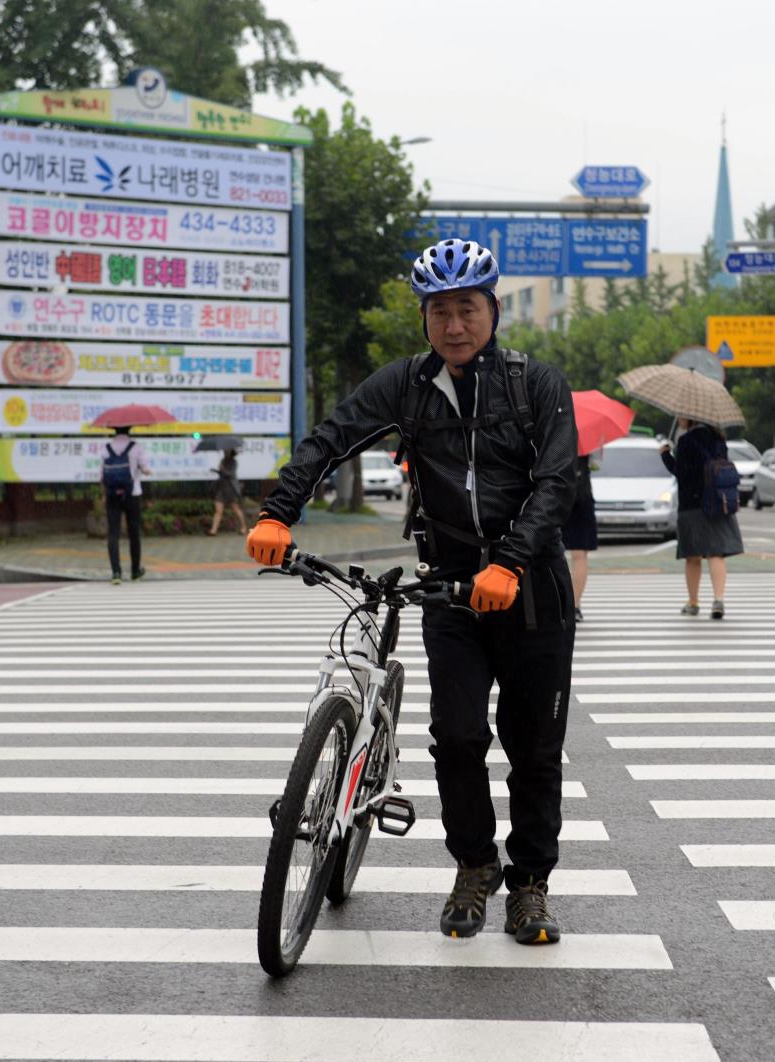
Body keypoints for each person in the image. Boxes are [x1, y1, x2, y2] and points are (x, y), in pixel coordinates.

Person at [246, 239, 579, 945]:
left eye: (467, 309)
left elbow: (556, 485)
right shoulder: (405, 385)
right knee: (456, 738)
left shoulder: (536, 384)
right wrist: (279, 510)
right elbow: (331, 437)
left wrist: (511, 564)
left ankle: (530, 884)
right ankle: (474, 865)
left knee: (533, 746)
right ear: (424, 318)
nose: (454, 325)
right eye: (439, 312)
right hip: (451, 590)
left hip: (532, 594)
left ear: (492, 309)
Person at [661, 417, 742, 619]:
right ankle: (719, 599)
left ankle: (693, 602)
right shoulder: (718, 438)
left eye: (681, 415)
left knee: (693, 556)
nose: (678, 418)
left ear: (689, 417)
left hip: (692, 506)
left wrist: (665, 455)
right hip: (717, 502)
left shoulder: (686, 441)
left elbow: (681, 472)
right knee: (716, 554)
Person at [99, 428, 150, 584]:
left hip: (112, 495)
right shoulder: (136, 447)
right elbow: (145, 468)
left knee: (113, 533)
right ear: (129, 430)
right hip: (132, 494)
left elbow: (102, 476)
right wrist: (146, 471)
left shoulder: (106, 448)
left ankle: (116, 573)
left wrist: (103, 495)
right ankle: (135, 571)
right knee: (134, 533)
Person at [561, 453, 597, 622]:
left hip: (557, 496)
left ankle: (559, 604)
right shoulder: (588, 439)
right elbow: (596, 464)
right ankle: (575, 606)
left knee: (552, 554)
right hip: (582, 498)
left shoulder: (554, 431)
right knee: (579, 555)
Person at [208, 447, 248, 536]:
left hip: (231, 489)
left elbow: (230, 474)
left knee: (235, 509)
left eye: (227, 450)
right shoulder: (223, 460)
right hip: (222, 489)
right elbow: (222, 474)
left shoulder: (234, 462)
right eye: (224, 450)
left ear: (231, 452)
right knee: (218, 509)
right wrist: (216, 470)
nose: (225, 451)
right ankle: (213, 530)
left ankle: (243, 527)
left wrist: (222, 469)